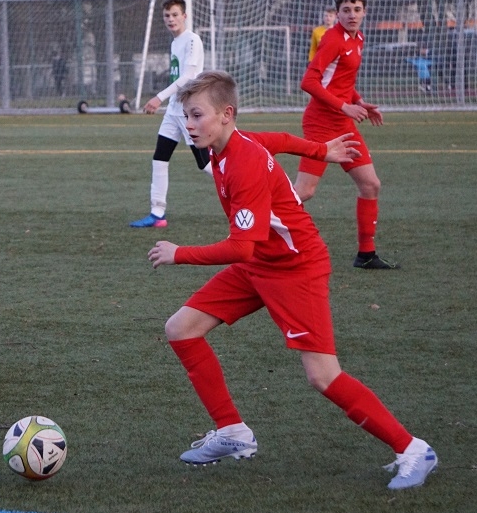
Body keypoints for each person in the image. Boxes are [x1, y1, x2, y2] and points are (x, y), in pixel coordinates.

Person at [147, 70, 437, 490]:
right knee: (181, 329)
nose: (188, 125)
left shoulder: (243, 162)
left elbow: (241, 247)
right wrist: (322, 151)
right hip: (261, 264)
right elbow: (281, 139)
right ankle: (232, 432)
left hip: (295, 268)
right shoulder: (233, 143)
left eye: (196, 115)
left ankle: (412, 449)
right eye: (186, 116)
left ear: (226, 114)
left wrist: (180, 254)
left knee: (323, 376)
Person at [296, 0, 399, 270]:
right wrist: (345, 107)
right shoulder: (332, 39)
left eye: (357, 9)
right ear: (337, 13)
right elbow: (309, 82)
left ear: (364, 11)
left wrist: (360, 102)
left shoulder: (358, 38)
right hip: (321, 123)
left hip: (343, 123)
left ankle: (366, 255)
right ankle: (255, 229)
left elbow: (341, 82)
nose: (352, 15)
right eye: (346, 10)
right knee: (304, 191)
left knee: (370, 184)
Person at [130, 0, 212, 228]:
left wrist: (159, 97)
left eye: (175, 15)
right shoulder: (175, 42)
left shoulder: (192, 40)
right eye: (167, 16)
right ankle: (157, 213)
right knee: (160, 158)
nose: (171, 19)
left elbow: (189, 76)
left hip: (188, 111)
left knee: (206, 165)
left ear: (184, 16)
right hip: (173, 112)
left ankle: (247, 192)